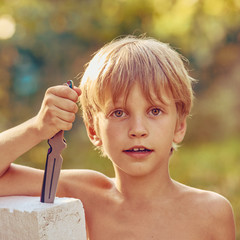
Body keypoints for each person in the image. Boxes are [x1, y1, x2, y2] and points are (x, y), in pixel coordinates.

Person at [0, 36, 235, 239]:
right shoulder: (85, 195)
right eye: (119, 113)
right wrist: (37, 128)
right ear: (93, 130)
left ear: (179, 125)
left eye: (155, 111)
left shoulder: (211, 213)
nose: (137, 129)